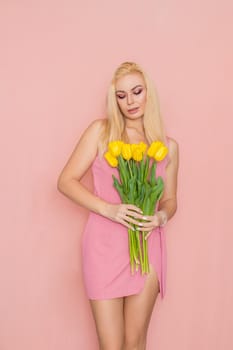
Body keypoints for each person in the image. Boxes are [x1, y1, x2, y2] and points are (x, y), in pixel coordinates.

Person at [57, 61, 179, 350]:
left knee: (135, 343)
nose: (130, 101)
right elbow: (66, 181)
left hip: (146, 248)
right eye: (121, 96)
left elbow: (171, 199)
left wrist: (160, 216)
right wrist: (109, 209)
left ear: (149, 93)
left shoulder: (168, 147)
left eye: (137, 91)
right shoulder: (101, 133)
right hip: (103, 247)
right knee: (110, 346)